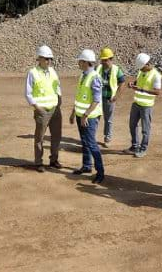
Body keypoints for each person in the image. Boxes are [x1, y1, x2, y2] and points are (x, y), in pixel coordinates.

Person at [25, 45, 63, 173]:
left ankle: (54, 160)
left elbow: (57, 87)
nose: (48, 61)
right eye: (46, 59)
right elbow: (28, 93)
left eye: (50, 59)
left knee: (56, 136)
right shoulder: (33, 72)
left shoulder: (53, 71)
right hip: (42, 111)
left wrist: (59, 100)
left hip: (55, 109)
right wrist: (37, 107)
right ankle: (38, 162)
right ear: (39, 59)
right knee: (39, 138)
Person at [70, 49, 105, 184]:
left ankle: (100, 172)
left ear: (85, 62)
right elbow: (79, 97)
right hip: (81, 115)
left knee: (91, 143)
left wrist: (85, 115)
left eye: (80, 61)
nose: (78, 63)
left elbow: (96, 100)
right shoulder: (83, 75)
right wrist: (74, 112)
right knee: (84, 142)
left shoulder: (94, 77)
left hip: (89, 116)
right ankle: (86, 166)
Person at [127, 53, 162, 158]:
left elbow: (157, 92)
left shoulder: (156, 75)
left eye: (142, 68)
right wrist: (132, 84)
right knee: (132, 125)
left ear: (147, 64)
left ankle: (143, 149)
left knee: (145, 129)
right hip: (136, 103)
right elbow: (139, 81)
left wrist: (141, 89)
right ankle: (134, 146)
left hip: (146, 106)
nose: (141, 70)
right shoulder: (141, 71)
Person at [96, 47, 126, 147]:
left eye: (105, 60)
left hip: (109, 99)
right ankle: (92, 138)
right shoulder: (98, 68)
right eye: (102, 60)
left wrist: (116, 96)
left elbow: (122, 82)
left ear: (111, 59)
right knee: (95, 118)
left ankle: (107, 138)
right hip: (98, 99)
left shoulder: (117, 70)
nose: (103, 62)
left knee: (108, 119)